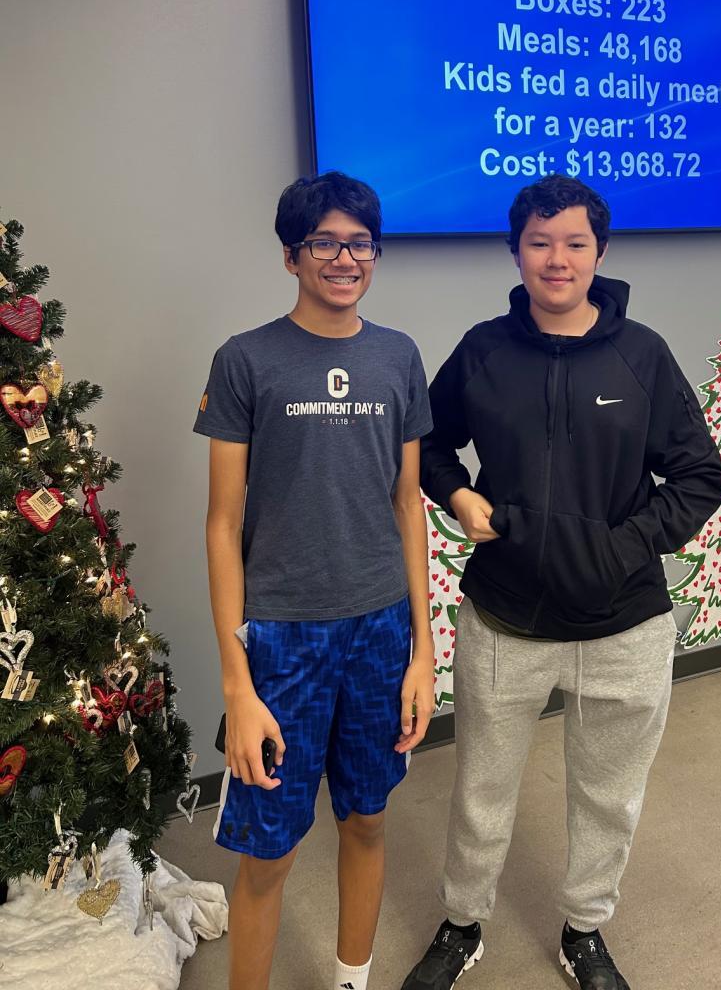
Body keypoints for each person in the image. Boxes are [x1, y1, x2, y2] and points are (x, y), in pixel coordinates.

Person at [402, 175, 721, 990]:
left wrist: (623, 548)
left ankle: (585, 930)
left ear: (600, 252)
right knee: (480, 790)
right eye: (540, 242)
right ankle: (462, 922)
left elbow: (700, 476)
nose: (558, 259)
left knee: (609, 796)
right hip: (505, 618)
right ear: (515, 252)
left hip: (625, 624)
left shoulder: (641, 354)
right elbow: (427, 444)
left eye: (575, 243)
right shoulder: (483, 350)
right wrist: (458, 494)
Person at [196, 172, 435, 990]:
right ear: (291, 257)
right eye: (324, 242)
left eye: (360, 243)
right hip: (281, 639)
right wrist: (237, 684)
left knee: (366, 820)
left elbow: (408, 504)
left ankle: (350, 981)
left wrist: (423, 653)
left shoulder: (399, 356)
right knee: (269, 854)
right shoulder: (246, 359)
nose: (344, 258)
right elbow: (222, 524)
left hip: (380, 629)